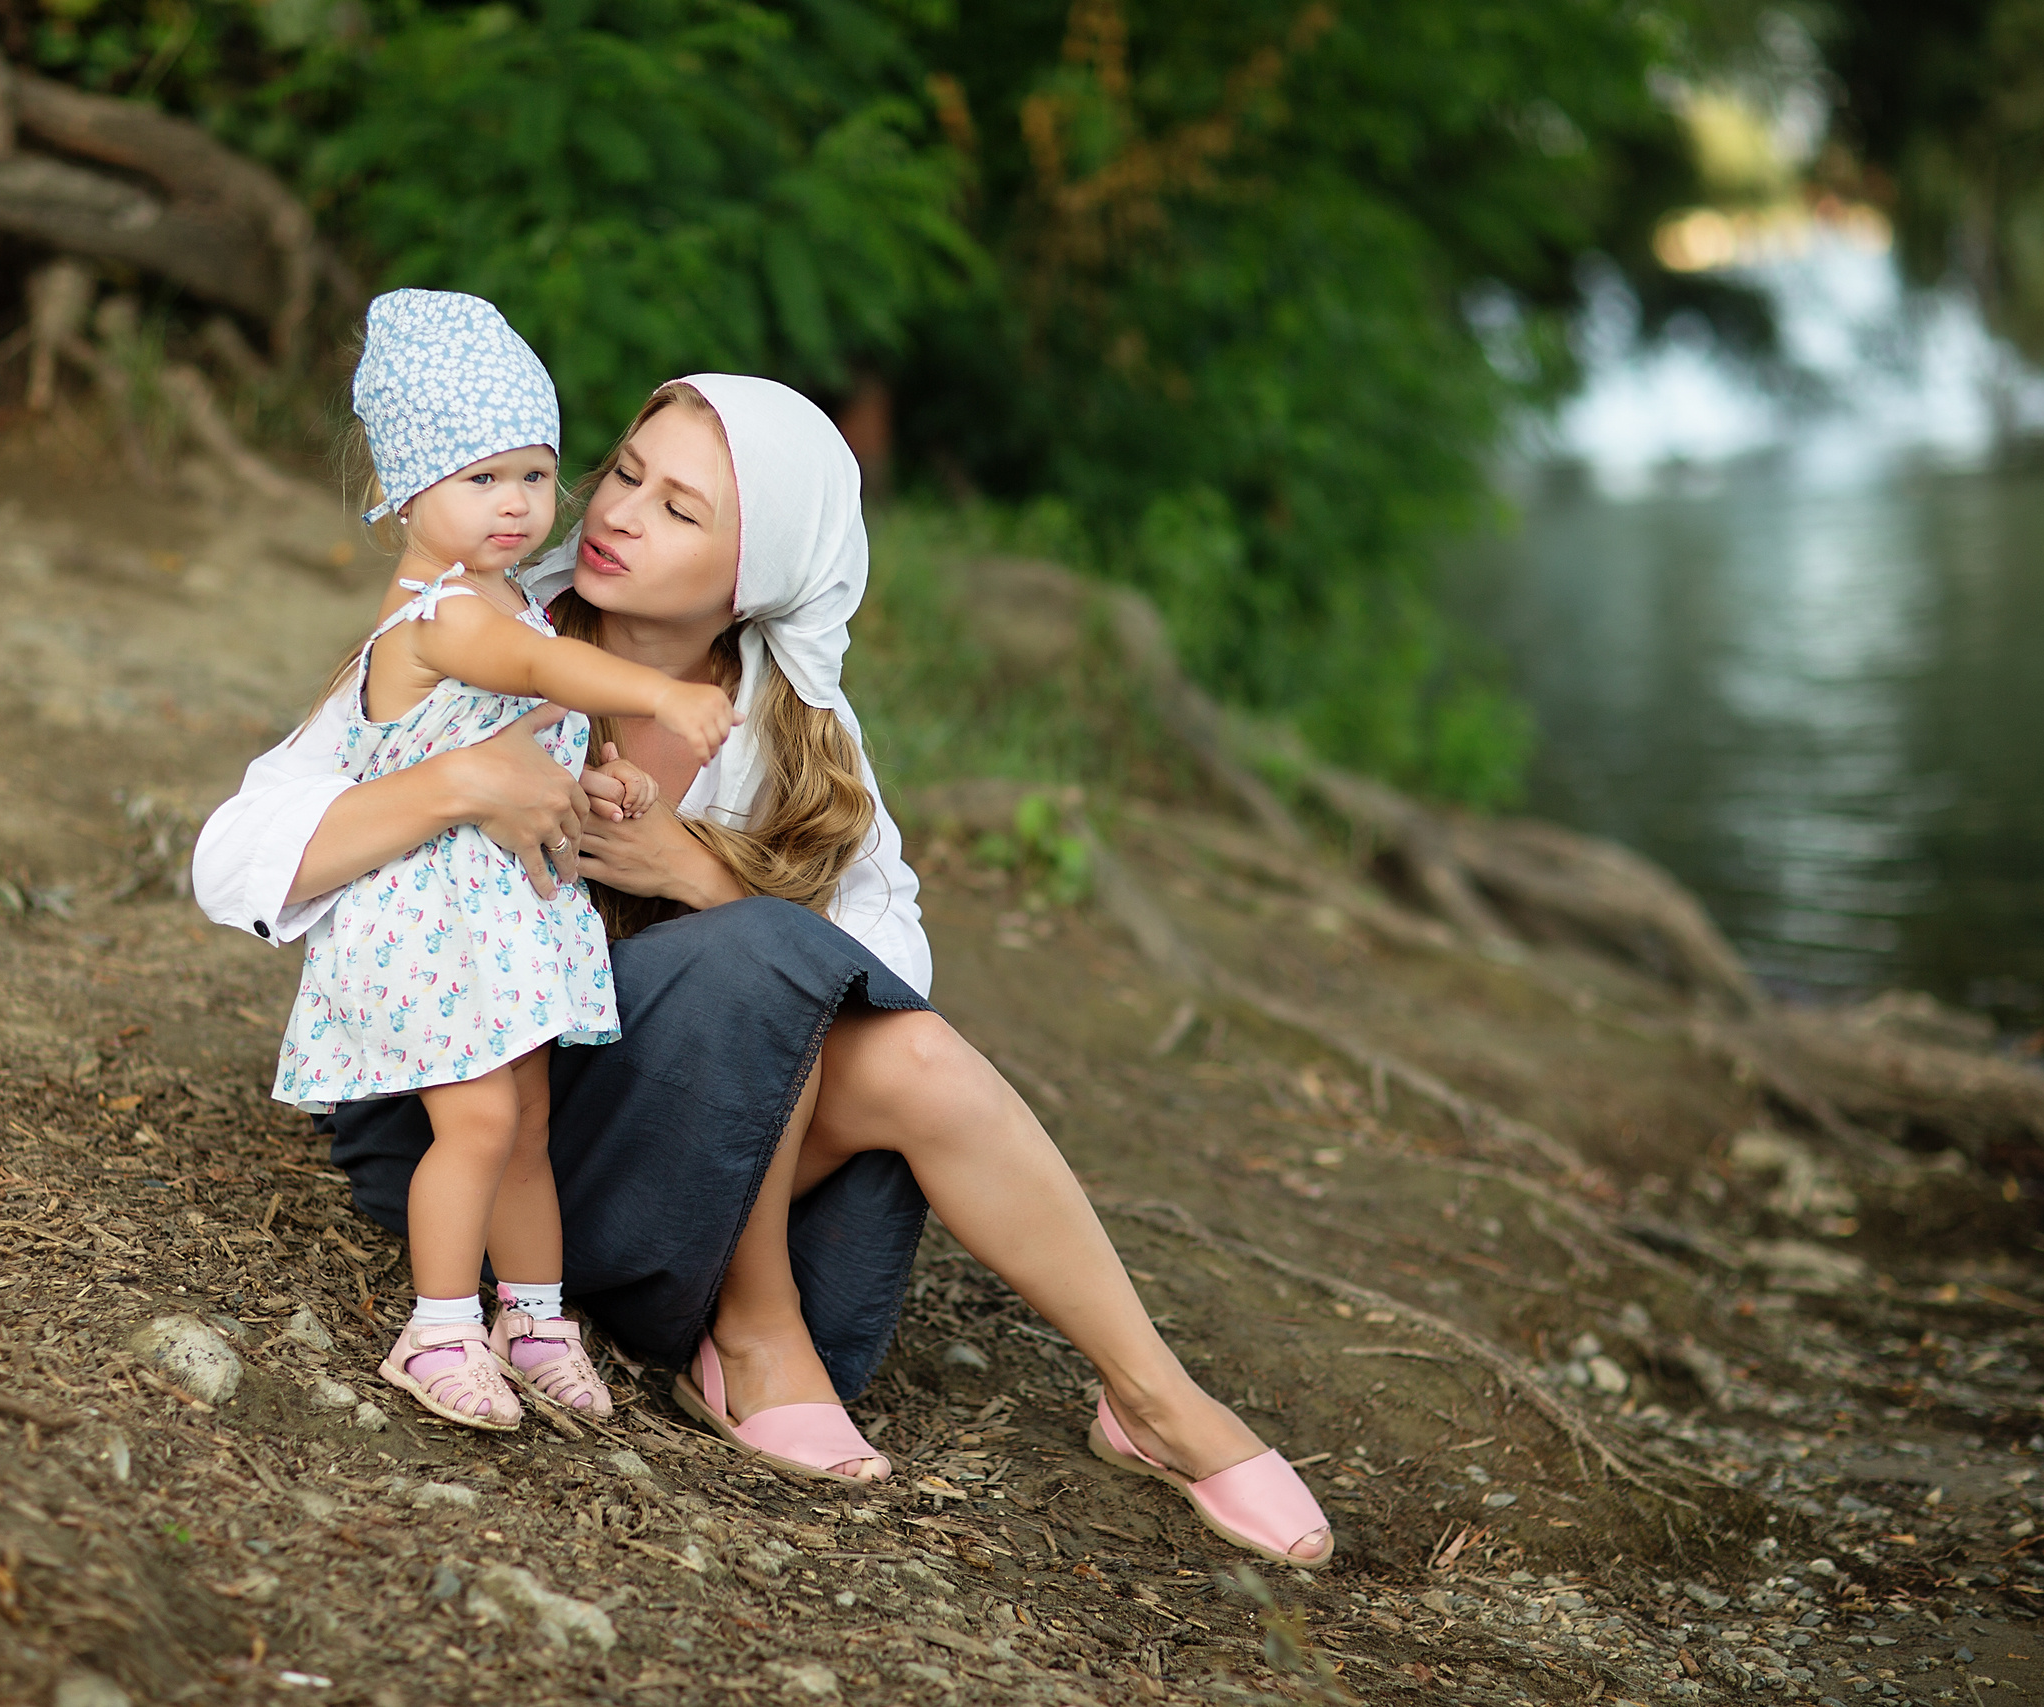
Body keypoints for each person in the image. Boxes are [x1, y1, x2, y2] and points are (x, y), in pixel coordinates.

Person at [195, 372, 1333, 1564]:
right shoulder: (488, 636)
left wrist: (699, 873)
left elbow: (882, 979)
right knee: (777, 957)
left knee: (907, 1050)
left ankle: (1151, 1400)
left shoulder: (794, 727)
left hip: (655, 1164)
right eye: (627, 474)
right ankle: (749, 1333)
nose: (620, 514)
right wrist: (455, 787)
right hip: (462, 1120)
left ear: (763, 568)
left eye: (681, 510)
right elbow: (232, 857)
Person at [282, 291, 736, 1431]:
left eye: (533, 475)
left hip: (505, 915)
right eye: (479, 479)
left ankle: (532, 1318)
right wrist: (657, 697)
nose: (515, 504)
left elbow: (522, 742)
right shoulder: (440, 612)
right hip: (429, 921)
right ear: (405, 487)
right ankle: (435, 1329)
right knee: (477, 1126)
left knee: (525, 1124)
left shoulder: (510, 607)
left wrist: (600, 782)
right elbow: (538, 684)